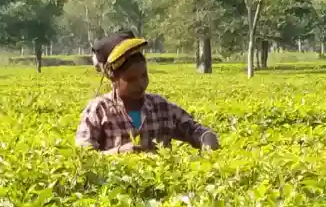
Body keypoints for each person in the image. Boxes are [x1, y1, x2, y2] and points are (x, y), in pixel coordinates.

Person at [76, 31, 219, 153]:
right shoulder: (98, 110)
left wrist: (207, 138)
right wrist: (118, 152)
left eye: (144, 75)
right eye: (131, 79)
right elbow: (83, 155)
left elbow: (196, 130)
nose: (141, 84)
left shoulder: (161, 107)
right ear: (113, 78)